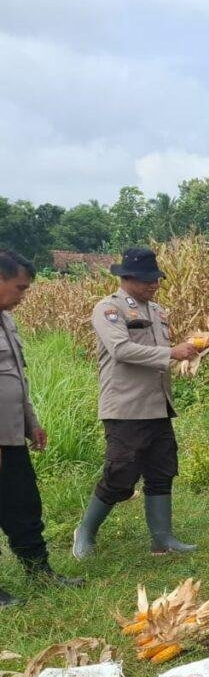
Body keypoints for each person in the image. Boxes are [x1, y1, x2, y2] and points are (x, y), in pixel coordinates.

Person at [72, 248, 199, 559]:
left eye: (155, 279)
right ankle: (85, 531)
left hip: (157, 406)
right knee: (120, 474)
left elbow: (159, 351)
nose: (153, 285)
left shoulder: (157, 312)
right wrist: (172, 353)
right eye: (145, 280)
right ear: (125, 278)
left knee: (162, 470)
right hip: (126, 408)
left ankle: (162, 539)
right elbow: (121, 350)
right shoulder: (108, 309)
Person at [0, 249, 82, 604]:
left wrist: (31, 422)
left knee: (24, 505)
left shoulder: (7, 320)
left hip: (11, 435)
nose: (23, 296)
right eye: (19, 288)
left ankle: (40, 573)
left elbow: (16, 379)